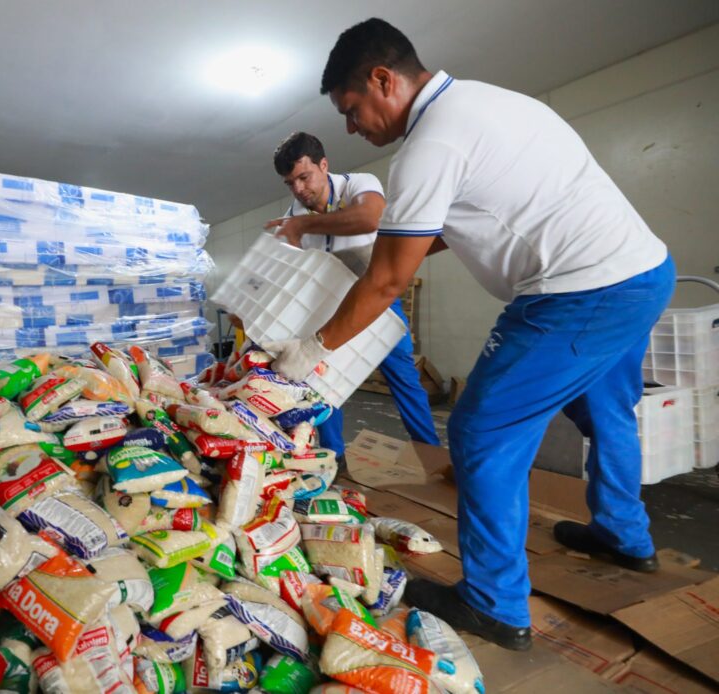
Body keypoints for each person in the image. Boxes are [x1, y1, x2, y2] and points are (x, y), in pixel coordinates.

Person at [264, 18, 674, 650]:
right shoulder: (491, 102)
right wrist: (388, 252)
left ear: (383, 79)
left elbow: (386, 285)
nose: (352, 128)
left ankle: (494, 604)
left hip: (577, 293)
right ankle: (624, 537)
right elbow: (453, 230)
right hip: (642, 273)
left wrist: (315, 347)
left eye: (352, 110)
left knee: (480, 428)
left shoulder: (430, 146)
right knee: (604, 410)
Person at [263, 132, 440, 467]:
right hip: (331, 309)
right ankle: (335, 459)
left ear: (324, 165)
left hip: (377, 301)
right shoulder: (293, 216)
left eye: (304, 177)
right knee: (323, 384)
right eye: (290, 183)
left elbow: (370, 217)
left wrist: (303, 224)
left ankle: (430, 453)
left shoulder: (358, 184)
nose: (299, 189)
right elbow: (286, 271)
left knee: (403, 379)